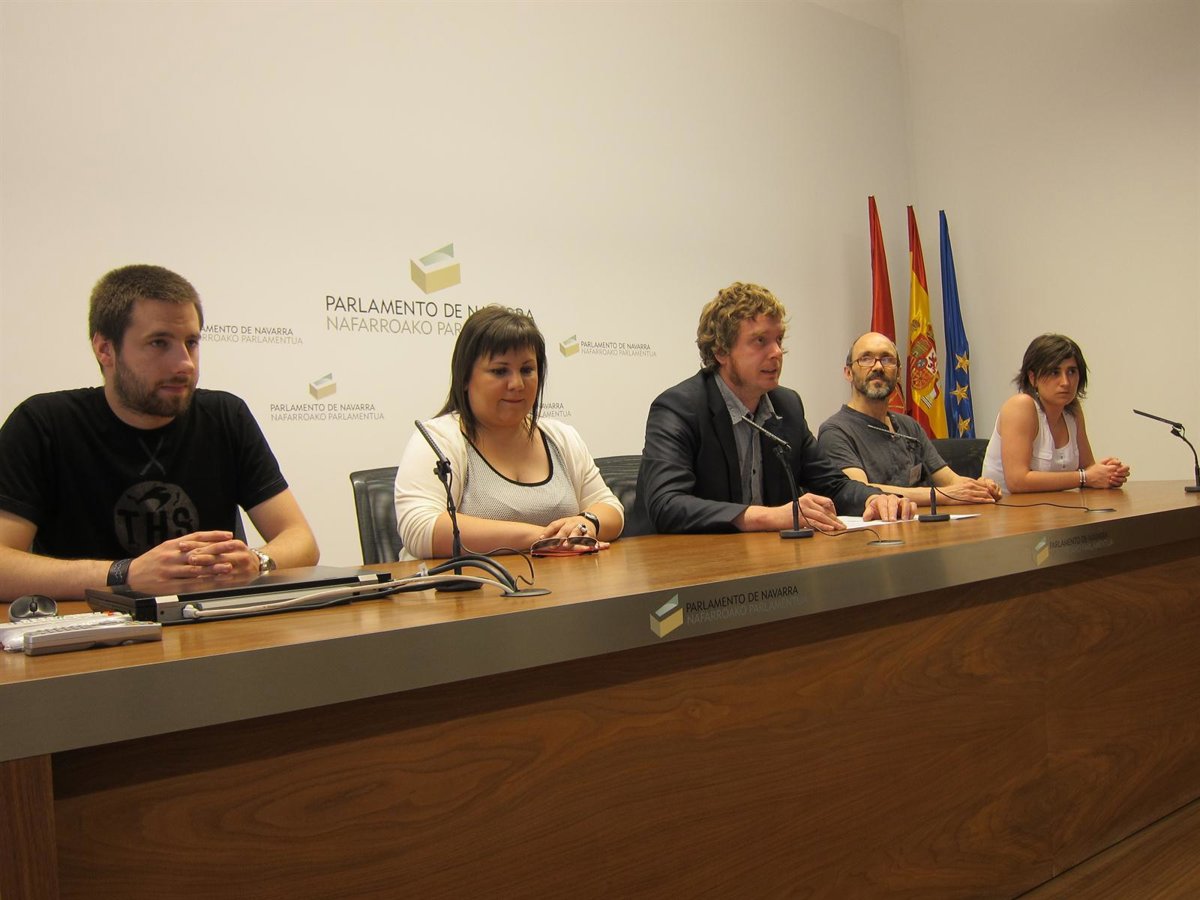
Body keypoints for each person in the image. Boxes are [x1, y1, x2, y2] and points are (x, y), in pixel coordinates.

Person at [0, 264, 319, 601]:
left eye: (191, 342)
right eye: (159, 343)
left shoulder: (226, 416)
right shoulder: (43, 424)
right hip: (92, 625)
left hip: (210, 624)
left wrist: (258, 561)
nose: (185, 364)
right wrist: (125, 575)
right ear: (105, 349)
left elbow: (301, 540)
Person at [637, 282, 915, 534]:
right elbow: (666, 505)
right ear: (721, 351)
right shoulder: (679, 407)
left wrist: (874, 499)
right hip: (694, 563)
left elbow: (833, 484)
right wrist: (772, 517)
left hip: (770, 560)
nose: (777, 352)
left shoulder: (787, 405)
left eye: (779, 340)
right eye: (760, 341)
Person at [394, 305, 624, 559]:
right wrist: (544, 539)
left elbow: (611, 509)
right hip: (468, 584)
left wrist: (586, 523)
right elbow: (421, 529)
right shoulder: (437, 439)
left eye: (527, 370)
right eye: (499, 371)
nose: (517, 384)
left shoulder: (562, 437)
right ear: (465, 378)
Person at [817, 332, 1001, 506]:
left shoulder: (909, 426)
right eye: (866, 359)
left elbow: (951, 481)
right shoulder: (835, 431)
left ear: (898, 373)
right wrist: (944, 495)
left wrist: (979, 487)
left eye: (887, 359)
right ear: (848, 372)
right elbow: (860, 491)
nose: (878, 367)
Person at [981, 333, 1129, 493]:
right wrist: (1085, 477)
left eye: (1071, 372)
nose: (1065, 382)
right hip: (1005, 507)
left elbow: (1087, 468)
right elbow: (1017, 481)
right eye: (1054, 372)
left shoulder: (1073, 410)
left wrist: (1109, 473)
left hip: (1054, 506)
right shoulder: (1020, 406)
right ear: (1033, 378)